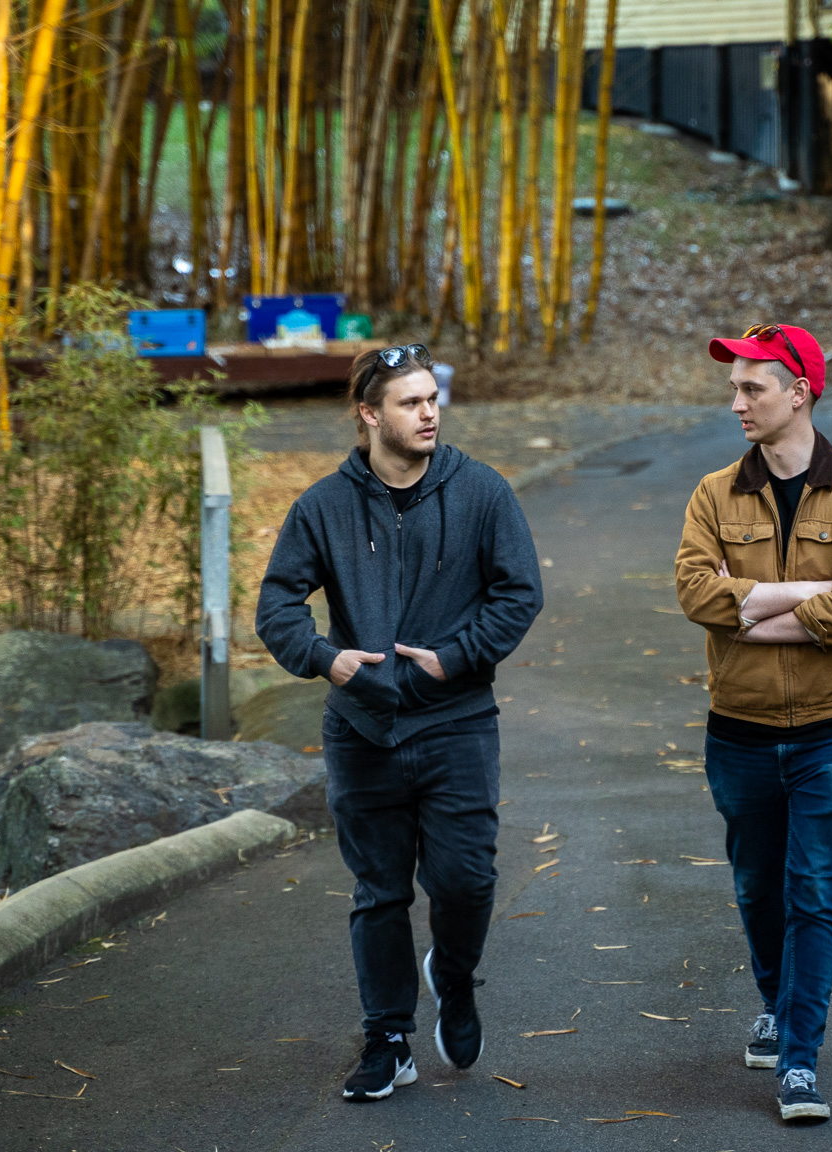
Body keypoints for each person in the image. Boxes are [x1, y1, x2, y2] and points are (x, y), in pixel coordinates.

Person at [255, 344, 543, 1102]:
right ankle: (388, 1037)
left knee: (466, 879)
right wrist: (325, 659)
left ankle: (454, 975)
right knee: (380, 891)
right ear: (369, 414)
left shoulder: (481, 491)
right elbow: (277, 605)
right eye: (410, 402)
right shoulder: (324, 506)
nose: (428, 413)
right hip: (363, 730)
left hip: (457, 721)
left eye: (431, 399)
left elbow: (519, 593)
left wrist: (457, 657)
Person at [673, 323, 832, 1123]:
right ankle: (776, 1001)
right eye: (733, 387)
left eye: (750, 387)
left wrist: (749, 611)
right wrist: (806, 595)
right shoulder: (714, 494)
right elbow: (695, 593)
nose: (736, 402)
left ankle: (799, 1059)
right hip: (740, 728)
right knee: (758, 887)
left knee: (816, 893)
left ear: (798, 393)